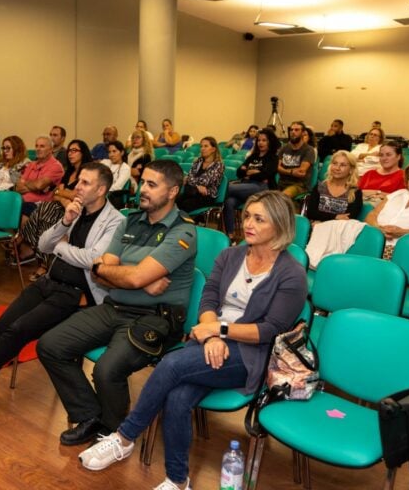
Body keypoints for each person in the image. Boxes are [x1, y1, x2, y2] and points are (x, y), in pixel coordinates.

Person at [78, 190, 308, 490]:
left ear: (279, 226)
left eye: (259, 219)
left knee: (172, 364)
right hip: (207, 341)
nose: (248, 223)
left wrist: (219, 332)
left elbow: (269, 330)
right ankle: (178, 480)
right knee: (177, 397)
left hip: (250, 354)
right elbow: (209, 297)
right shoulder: (231, 254)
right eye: (247, 216)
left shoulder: (292, 274)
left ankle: (124, 437)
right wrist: (212, 330)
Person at [0, 163, 126, 424]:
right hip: (50, 280)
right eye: (79, 181)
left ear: (101, 189)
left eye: (85, 183)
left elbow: (93, 260)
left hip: (76, 294)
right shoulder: (76, 212)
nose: (77, 187)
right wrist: (65, 222)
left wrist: (61, 249)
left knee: (18, 331)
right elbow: (43, 244)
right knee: (1, 326)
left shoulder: (116, 221)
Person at [37, 159, 197, 446]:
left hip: (155, 317)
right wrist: (136, 278)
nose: (142, 190)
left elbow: (122, 274)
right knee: (50, 345)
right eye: (142, 182)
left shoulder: (182, 231)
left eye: (152, 184)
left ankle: (113, 433)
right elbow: (101, 272)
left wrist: (126, 275)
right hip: (115, 307)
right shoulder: (130, 221)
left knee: (106, 370)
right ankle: (89, 415)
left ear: (172, 192)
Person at [18, 140, 93, 281]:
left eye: (74, 150)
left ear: (83, 153)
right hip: (62, 206)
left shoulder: (87, 173)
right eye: (69, 151)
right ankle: (42, 260)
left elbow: (77, 195)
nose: (70, 154)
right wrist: (64, 198)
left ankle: (37, 257)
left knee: (46, 216)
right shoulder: (69, 172)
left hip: (77, 210)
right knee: (44, 210)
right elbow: (56, 194)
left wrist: (63, 194)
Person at [223, 129, 280, 238]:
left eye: (264, 140)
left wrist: (249, 172)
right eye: (259, 140)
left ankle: (212, 194)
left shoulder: (273, 158)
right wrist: (254, 172)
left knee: (227, 188)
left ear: (270, 142)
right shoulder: (253, 156)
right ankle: (230, 235)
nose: (261, 143)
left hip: (263, 189)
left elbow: (265, 174)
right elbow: (239, 172)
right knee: (229, 202)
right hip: (246, 187)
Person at [305, 150, 362, 222]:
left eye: (343, 165)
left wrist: (322, 217)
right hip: (316, 227)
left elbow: (348, 218)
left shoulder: (355, 192)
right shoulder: (320, 186)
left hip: (339, 230)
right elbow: (311, 213)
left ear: (351, 169)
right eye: (335, 164)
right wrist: (336, 216)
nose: (337, 168)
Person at [15, 135, 64, 217]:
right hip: (22, 200)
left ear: (51, 149)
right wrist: (34, 186)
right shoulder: (32, 164)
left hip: (40, 205)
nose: (38, 149)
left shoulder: (56, 166)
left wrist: (27, 183)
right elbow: (18, 187)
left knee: (21, 208)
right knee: (3, 201)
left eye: (42, 146)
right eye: (36, 146)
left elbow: (39, 185)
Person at [176, 136, 225, 214]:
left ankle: (185, 224)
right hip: (192, 192)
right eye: (201, 146)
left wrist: (190, 180)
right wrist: (197, 186)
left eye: (206, 146)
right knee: (175, 200)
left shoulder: (218, 165)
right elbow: (190, 176)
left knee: (185, 205)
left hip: (207, 196)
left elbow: (206, 181)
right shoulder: (198, 161)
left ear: (213, 149)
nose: (202, 148)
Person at [277, 121, 315, 198]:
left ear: (303, 133)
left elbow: (301, 171)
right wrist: (291, 172)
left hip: (299, 185)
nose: (293, 132)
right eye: (291, 130)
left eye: (297, 130)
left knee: (283, 197)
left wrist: (283, 170)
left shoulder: (309, 150)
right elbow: (276, 167)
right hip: (282, 183)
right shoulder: (284, 148)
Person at [101, 140, 131, 209]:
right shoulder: (105, 162)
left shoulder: (125, 168)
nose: (111, 155)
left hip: (112, 198)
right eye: (109, 152)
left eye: (114, 151)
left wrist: (101, 191)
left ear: (122, 152)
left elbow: (117, 187)